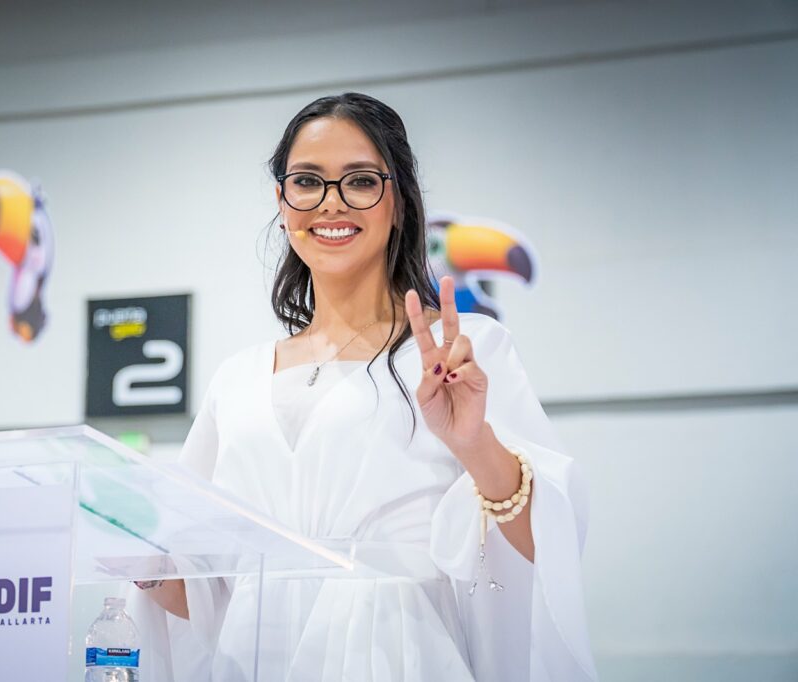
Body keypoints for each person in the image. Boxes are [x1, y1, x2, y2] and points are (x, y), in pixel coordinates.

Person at [128, 92, 597, 681]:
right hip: (255, 661)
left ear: (398, 202)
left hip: (394, 657)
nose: (332, 202)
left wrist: (474, 441)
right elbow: (204, 599)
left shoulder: (462, 351)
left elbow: (542, 547)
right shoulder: (237, 378)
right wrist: (134, 545)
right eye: (307, 181)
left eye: (360, 181)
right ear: (282, 201)